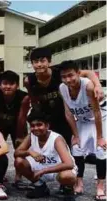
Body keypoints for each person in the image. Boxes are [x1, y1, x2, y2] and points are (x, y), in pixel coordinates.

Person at [24, 47, 104, 147]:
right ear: (32, 64)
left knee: (70, 145)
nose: (39, 64)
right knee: (49, 146)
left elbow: (88, 73)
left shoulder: (60, 73)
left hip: (64, 115)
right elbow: (34, 101)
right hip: (46, 116)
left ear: (49, 61)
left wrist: (98, 85)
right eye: (36, 62)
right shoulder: (29, 81)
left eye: (42, 61)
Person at [57, 60, 106, 200]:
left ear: (78, 73)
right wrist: (75, 135)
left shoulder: (88, 86)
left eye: (71, 75)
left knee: (101, 150)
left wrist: (100, 137)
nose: (68, 79)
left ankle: (101, 186)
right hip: (83, 120)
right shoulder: (62, 88)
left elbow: (96, 112)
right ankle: (79, 183)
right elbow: (68, 113)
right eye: (64, 76)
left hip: (101, 118)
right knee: (77, 147)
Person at [14, 111, 77, 201]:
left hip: (58, 168)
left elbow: (69, 164)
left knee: (67, 176)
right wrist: (29, 152)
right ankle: (40, 187)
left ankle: (68, 189)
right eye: (32, 125)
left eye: (39, 125)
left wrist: (44, 171)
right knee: (19, 161)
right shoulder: (31, 135)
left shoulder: (56, 139)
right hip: (42, 166)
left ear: (47, 126)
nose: (35, 128)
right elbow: (16, 153)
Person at [0, 70, 30, 189]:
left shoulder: (24, 97)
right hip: (0, 124)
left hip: (17, 124)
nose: (7, 87)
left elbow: (22, 118)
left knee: (20, 147)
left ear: (17, 85)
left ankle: (18, 177)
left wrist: (20, 136)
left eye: (11, 84)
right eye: (4, 83)